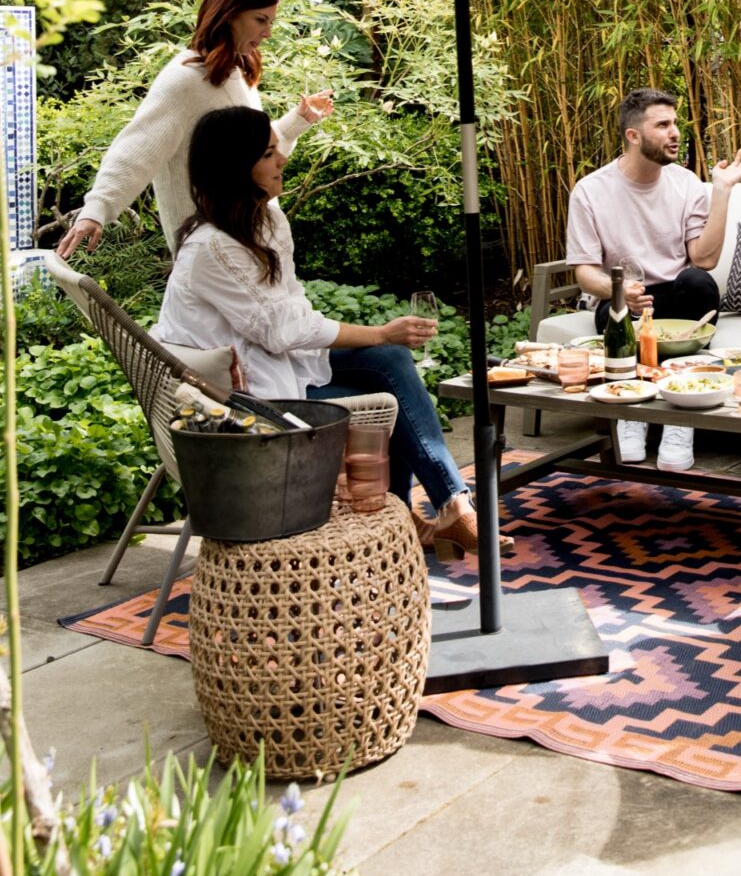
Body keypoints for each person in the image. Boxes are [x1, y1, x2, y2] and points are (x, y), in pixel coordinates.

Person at [157, 106, 509, 559]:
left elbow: (291, 306)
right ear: (235, 167)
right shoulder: (212, 247)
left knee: (392, 363)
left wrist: (384, 341)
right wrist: (381, 332)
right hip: (242, 400)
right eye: (268, 153)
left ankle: (447, 506)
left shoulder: (263, 221)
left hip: (274, 361)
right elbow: (282, 329)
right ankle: (424, 513)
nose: (282, 158)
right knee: (391, 385)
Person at [56, 0, 333, 260]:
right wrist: (97, 209)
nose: (268, 32)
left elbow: (251, 152)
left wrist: (298, 120)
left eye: (271, 22)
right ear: (229, 14)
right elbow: (139, 146)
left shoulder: (234, 72)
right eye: (260, 20)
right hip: (209, 248)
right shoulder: (186, 78)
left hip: (247, 239)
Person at [566, 87, 741, 472]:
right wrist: (618, 291)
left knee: (699, 283)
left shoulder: (685, 184)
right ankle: (631, 412)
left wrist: (721, 191)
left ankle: (676, 421)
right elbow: (584, 272)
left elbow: (704, 258)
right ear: (633, 136)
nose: (675, 133)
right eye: (663, 125)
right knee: (614, 314)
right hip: (621, 298)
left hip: (678, 296)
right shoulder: (590, 191)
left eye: (675, 123)